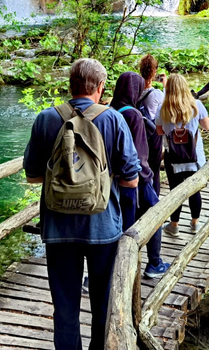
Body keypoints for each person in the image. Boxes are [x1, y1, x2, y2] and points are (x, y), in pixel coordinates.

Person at [24, 58, 140, 350]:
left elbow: (33, 176)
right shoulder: (113, 119)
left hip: (58, 230)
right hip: (103, 230)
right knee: (102, 306)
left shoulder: (46, 119)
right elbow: (131, 180)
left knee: (65, 311)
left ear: (70, 84)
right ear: (100, 87)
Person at [110, 72, 171, 278]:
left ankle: (104, 273)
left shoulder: (110, 111)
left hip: (114, 180)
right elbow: (137, 152)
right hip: (136, 179)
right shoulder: (134, 115)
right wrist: (147, 176)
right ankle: (154, 263)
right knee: (155, 215)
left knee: (119, 226)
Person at [156, 74, 209, 237]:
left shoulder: (162, 109)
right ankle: (195, 224)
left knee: (175, 191)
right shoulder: (197, 105)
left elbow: (159, 131)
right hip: (194, 157)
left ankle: (174, 226)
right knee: (195, 191)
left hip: (173, 158)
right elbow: (207, 126)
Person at [138, 54, 166, 195]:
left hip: (138, 133)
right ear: (154, 71)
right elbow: (168, 106)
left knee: (140, 167)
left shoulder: (135, 89)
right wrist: (165, 85)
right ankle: (154, 200)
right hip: (153, 134)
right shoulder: (156, 94)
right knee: (154, 170)